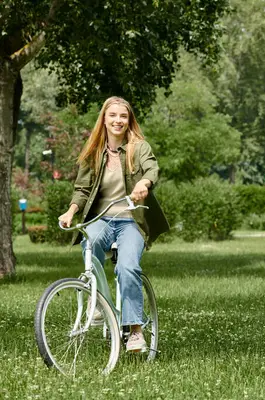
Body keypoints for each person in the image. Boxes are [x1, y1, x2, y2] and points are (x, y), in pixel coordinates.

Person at [58, 96, 169, 352]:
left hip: (131, 220)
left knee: (128, 267)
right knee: (91, 244)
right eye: (113, 116)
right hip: (101, 218)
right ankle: (98, 303)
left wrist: (144, 183)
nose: (118, 121)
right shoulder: (94, 151)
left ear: (128, 120)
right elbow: (82, 189)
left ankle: (135, 330)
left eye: (123, 116)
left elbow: (153, 169)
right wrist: (71, 211)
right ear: (104, 119)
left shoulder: (138, 148)